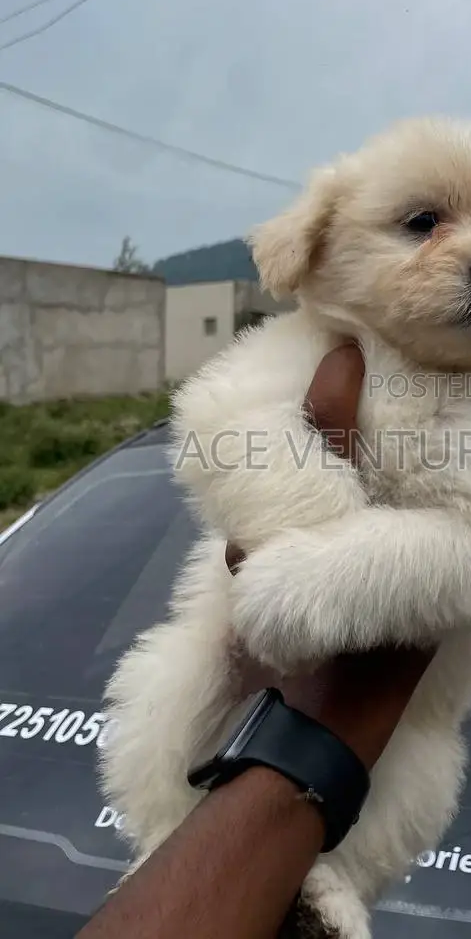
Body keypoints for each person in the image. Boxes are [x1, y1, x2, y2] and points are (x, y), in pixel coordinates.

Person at [78, 342, 436, 939]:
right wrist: (319, 519)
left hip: (373, 733)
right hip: (241, 663)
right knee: (176, 695)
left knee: (419, 757)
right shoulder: (303, 345)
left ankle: (329, 882)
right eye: (417, 237)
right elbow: (215, 422)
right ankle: (167, 842)